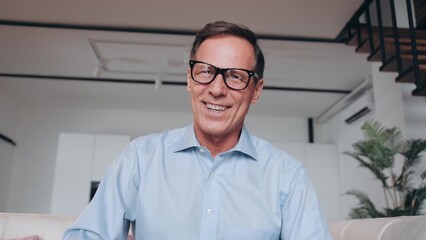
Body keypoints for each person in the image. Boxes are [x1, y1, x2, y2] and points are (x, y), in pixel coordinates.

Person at [63, 21, 332, 240]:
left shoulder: (289, 178)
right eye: (205, 71)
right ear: (189, 79)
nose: (216, 89)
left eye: (235, 76)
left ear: (256, 90)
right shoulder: (140, 159)